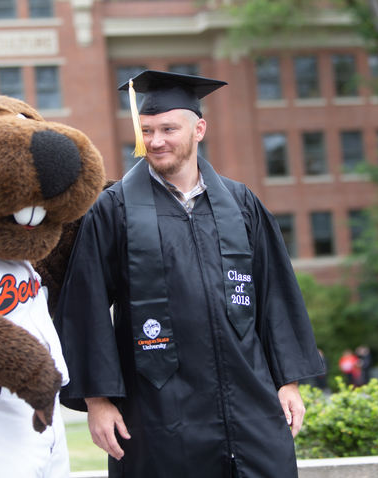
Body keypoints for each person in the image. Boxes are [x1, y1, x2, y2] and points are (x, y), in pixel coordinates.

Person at [55, 70, 324, 478]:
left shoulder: (240, 203)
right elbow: (85, 304)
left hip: (248, 401)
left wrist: (288, 381)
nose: (155, 140)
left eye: (168, 128)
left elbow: (275, 295)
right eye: (146, 130)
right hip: (160, 406)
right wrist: (98, 400)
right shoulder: (115, 209)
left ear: (199, 129)